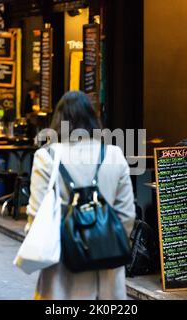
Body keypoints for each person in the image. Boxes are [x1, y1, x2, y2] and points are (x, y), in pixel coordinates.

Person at [27, 91, 135, 300]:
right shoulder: (113, 154)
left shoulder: (46, 156)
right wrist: (104, 243)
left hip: (63, 272)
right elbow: (127, 215)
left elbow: (36, 215)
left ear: (58, 120)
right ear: (93, 119)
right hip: (108, 274)